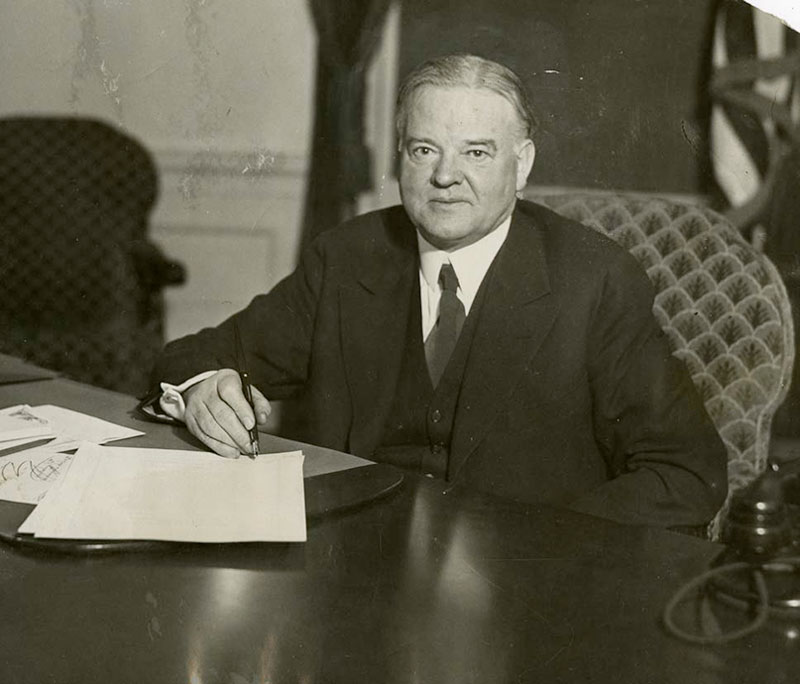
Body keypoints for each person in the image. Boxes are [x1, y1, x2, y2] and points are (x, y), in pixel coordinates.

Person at [147, 54, 728, 528]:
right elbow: (193, 358)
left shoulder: (594, 281)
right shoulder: (347, 258)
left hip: (519, 589)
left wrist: (538, 546)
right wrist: (203, 390)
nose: (445, 176)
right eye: (424, 150)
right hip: (351, 562)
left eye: (476, 152)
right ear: (400, 156)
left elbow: (685, 473)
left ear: (522, 164)